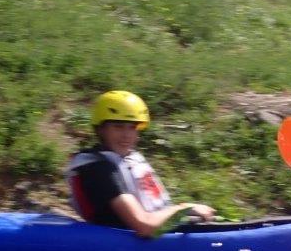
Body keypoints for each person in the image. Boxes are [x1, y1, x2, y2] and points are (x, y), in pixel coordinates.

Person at [65, 90, 214, 236]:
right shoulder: (97, 169)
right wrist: (184, 209)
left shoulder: (130, 159)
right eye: (118, 127)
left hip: (156, 235)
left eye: (132, 127)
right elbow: (144, 225)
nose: (127, 135)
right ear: (100, 129)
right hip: (124, 242)